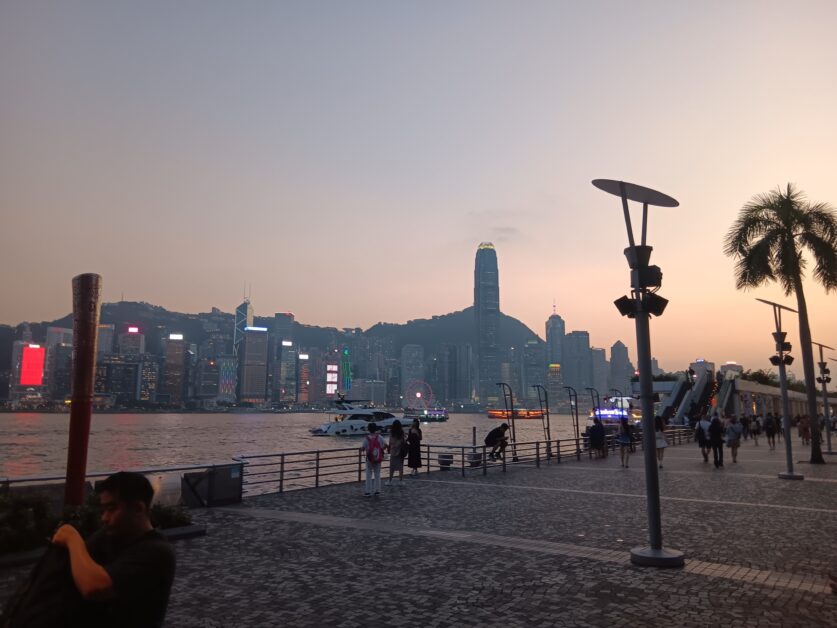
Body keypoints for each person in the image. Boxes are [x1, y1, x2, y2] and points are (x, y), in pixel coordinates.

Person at [50, 471, 176, 628]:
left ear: (138, 508)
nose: (104, 517)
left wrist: (73, 539)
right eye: (103, 510)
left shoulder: (157, 552)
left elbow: (94, 586)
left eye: (111, 509)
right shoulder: (108, 536)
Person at [360, 423, 386, 496]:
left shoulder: (366, 438)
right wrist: (381, 450)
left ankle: (368, 491)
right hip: (378, 458)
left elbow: (363, 448)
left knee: (368, 474)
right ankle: (377, 491)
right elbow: (386, 445)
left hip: (370, 459)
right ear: (375, 429)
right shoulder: (379, 437)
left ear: (369, 429)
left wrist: (362, 449)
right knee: (377, 474)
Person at [386, 419, 406, 485]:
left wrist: (391, 447)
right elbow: (402, 441)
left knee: (392, 467)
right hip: (400, 451)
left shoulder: (391, 432)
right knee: (400, 467)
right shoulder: (401, 433)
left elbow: (390, 441)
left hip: (393, 451)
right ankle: (401, 480)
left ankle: (390, 480)